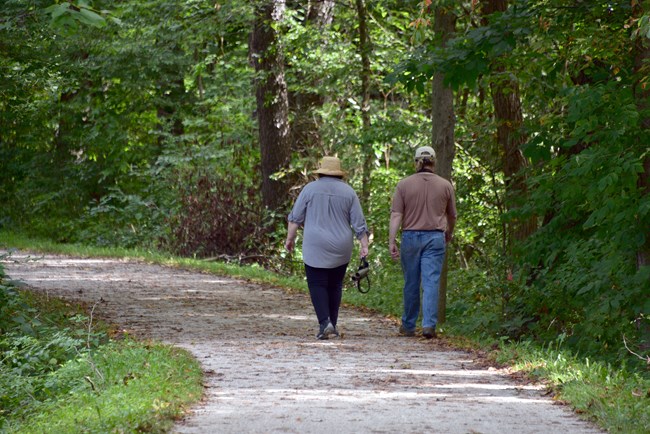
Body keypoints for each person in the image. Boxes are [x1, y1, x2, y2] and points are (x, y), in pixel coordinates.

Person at [285, 156, 370, 340]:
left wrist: (289, 239)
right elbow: (359, 223)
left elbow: (295, 218)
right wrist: (364, 245)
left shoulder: (309, 189)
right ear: (339, 174)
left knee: (317, 283)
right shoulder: (349, 192)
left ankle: (325, 323)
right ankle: (333, 323)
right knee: (335, 284)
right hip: (342, 245)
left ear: (320, 172)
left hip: (315, 243)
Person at [389, 146, 457, 339]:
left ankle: (409, 325)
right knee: (431, 282)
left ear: (416, 162)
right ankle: (428, 325)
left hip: (410, 237)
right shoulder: (445, 185)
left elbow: (396, 214)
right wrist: (449, 232)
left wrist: (392, 240)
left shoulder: (403, 185)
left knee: (411, 281)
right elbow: (452, 215)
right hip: (435, 237)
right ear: (433, 162)